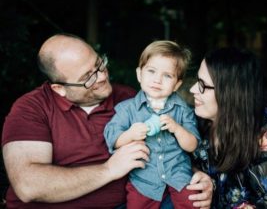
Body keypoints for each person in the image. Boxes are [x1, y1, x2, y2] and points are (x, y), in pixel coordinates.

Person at [1, 33, 213, 208]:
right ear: (60, 89)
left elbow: (165, 147)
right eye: (88, 77)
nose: (102, 77)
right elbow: (28, 185)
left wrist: (195, 176)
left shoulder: (128, 98)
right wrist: (109, 170)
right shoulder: (31, 109)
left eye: (99, 64)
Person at [190, 47, 267, 208]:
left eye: (202, 85)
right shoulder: (201, 120)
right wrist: (201, 177)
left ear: (230, 93)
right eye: (197, 80)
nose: (193, 89)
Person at [104, 40, 201, 208]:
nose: (157, 80)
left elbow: (192, 145)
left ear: (177, 84)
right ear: (139, 74)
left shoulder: (182, 109)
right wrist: (130, 134)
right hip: (143, 179)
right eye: (151, 71)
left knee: (193, 202)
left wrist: (177, 129)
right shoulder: (128, 109)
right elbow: (111, 137)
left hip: (179, 175)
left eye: (167, 76)